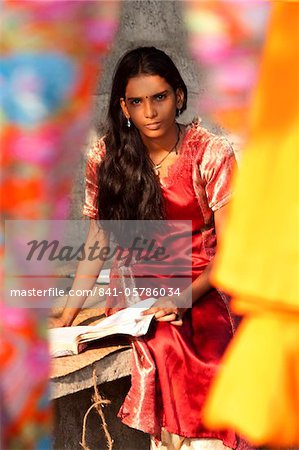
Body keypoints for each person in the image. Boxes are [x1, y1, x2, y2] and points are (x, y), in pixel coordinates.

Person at [51, 47, 240, 449]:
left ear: (179, 97)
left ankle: (204, 442)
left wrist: (184, 299)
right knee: (156, 334)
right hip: (136, 288)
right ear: (123, 107)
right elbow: (98, 241)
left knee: (197, 344)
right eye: (137, 102)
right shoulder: (106, 157)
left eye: (160, 97)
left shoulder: (210, 153)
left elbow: (232, 250)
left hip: (204, 281)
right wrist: (67, 316)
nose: (150, 112)